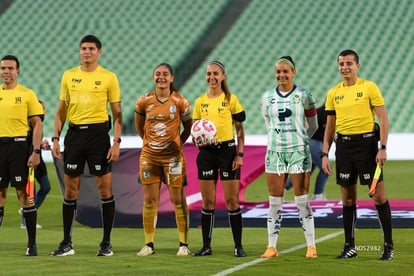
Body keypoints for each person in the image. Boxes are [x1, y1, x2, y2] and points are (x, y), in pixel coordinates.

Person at [51, 35, 123, 257]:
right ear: (79, 51)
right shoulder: (69, 76)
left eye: (91, 48)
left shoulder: (109, 77)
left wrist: (116, 142)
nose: (87, 52)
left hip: (99, 137)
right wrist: (55, 137)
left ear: (99, 52)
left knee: (105, 190)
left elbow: (118, 114)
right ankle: (66, 243)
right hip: (74, 136)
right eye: (83, 48)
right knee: (71, 191)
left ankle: (106, 243)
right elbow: (61, 111)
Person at [321, 49, 393, 260]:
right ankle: (349, 247)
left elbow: (384, 119)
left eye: (349, 63)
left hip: (367, 146)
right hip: (343, 147)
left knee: (378, 197)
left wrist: (383, 147)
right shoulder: (333, 92)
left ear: (357, 66)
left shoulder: (369, 87)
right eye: (341, 63)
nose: (345, 67)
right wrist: (325, 153)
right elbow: (329, 127)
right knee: (347, 199)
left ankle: (388, 246)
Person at [260, 56, 318, 259]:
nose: (281, 75)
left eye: (286, 71)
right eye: (278, 72)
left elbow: (313, 125)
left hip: (298, 152)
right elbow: (268, 122)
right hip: (275, 153)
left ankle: (311, 246)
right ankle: (271, 247)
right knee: (274, 202)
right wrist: (278, 139)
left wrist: (300, 140)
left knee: (301, 200)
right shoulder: (267, 97)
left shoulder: (304, 95)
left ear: (293, 72)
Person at [134, 63, 192, 256]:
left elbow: (188, 128)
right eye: (157, 74)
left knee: (178, 200)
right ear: (153, 78)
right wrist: (150, 144)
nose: (161, 77)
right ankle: (148, 244)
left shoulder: (181, 102)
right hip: (149, 157)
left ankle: (183, 244)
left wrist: (177, 145)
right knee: (150, 200)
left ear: (172, 78)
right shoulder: (144, 101)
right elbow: (139, 127)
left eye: (165, 74)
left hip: (173, 159)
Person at [192, 61, 246, 257]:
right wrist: (198, 140)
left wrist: (239, 155)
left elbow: (240, 131)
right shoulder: (199, 102)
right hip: (206, 153)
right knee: (208, 202)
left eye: (215, 73)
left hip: (228, 152)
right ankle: (206, 246)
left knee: (232, 201)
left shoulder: (231, 99)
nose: (211, 77)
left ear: (223, 76)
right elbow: (195, 131)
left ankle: (238, 246)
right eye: (208, 74)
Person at [0, 55, 44, 256]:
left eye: (10, 68)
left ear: (18, 71)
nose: (6, 72)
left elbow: (37, 124)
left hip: (19, 147)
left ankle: (32, 244)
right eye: (3, 68)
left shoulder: (27, 94)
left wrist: (35, 152)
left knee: (24, 195)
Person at [284, 102, 329, 200]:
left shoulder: (320, 112)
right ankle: (318, 195)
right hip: (314, 144)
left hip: (311, 143)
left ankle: (282, 189)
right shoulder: (323, 113)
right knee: (325, 168)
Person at [20, 100, 52, 229]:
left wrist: (42, 145)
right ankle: (25, 220)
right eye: (40, 109)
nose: (43, 112)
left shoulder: (38, 125)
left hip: (39, 162)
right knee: (30, 192)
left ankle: (27, 212)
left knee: (46, 187)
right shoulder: (28, 126)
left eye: (43, 109)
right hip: (28, 162)